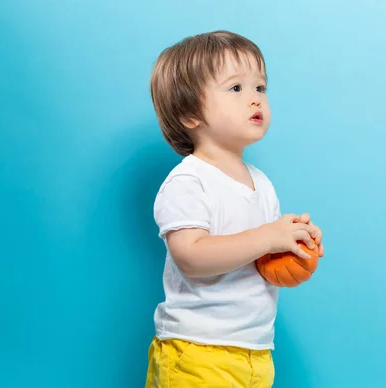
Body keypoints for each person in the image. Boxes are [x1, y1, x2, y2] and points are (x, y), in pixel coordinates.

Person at [145, 30, 325, 388]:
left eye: (260, 88)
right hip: (198, 351)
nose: (255, 100)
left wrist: (290, 248)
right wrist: (266, 236)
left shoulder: (261, 183)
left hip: (255, 349)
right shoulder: (188, 182)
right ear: (189, 113)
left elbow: (258, 259)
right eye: (236, 89)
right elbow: (192, 258)